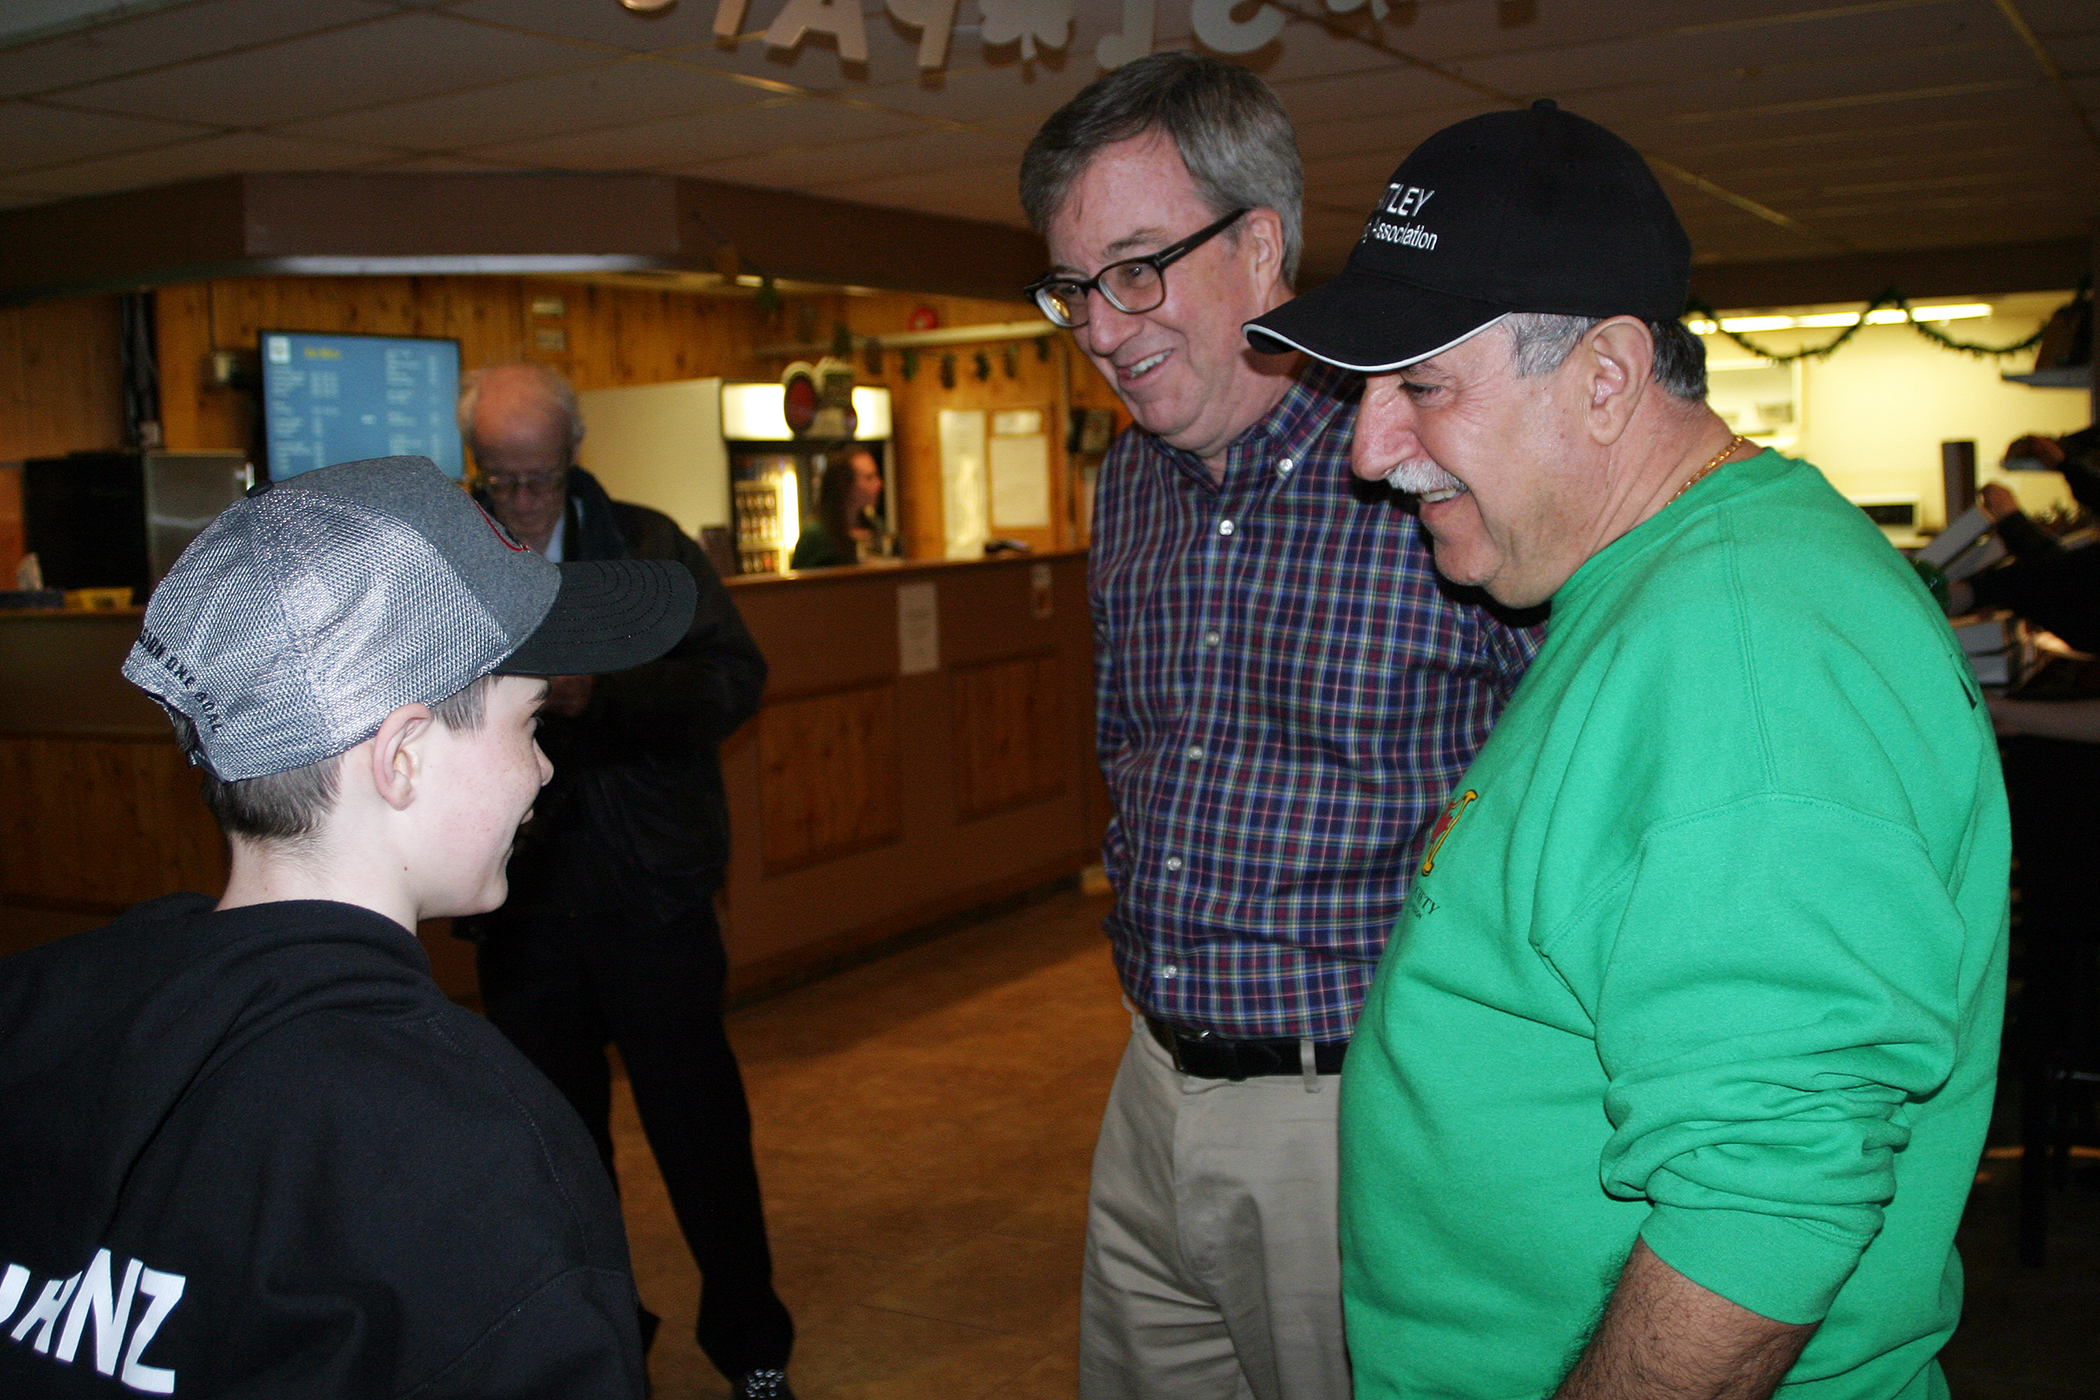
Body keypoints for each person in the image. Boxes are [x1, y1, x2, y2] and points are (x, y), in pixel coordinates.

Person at [1245, 100, 2009, 1400]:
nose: (1369, 454)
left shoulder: (1746, 651)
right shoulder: (1659, 593)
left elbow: (1767, 1204)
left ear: (1605, 377)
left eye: (1421, 386)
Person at [1018, 54, 1539, 1400]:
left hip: (1355, 1110)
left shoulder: (1424, 459)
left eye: (1137, 268)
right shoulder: (1126, 480)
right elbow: (1135, 753)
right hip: (1146, 1084)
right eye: (1074, 288)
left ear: (1262, 246)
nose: (1101, 326)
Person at [0, 453, 695, 1396]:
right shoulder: (475, 1156)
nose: (543, 770)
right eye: (529, 724)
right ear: (402, 755)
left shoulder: (35, 1013)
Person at [457, 365, 792, 1399]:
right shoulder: (448, 556)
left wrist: (605, 690)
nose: (520, 498)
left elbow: (734, 678)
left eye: (538, 476)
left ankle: (753, 1346)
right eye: (500, 477)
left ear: (574, 455)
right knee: (555, 1153)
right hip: (522, 900)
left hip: (654, 892)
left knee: (701, 1134)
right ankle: (604, 1344)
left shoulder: (648, 546)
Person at [790, 447, 890, 569]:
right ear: (845, 485)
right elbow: (798, 584)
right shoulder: (816, 536)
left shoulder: (876, 526)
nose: (879, 483)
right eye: (869, 478)